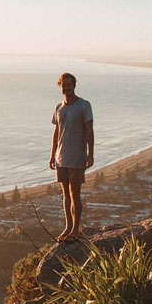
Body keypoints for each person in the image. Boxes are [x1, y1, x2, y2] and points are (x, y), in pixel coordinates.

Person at [49, 72, 94, 242]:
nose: (66, 88)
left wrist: (91, 154)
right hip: (61, 158)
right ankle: (68, 226)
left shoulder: (84, 105)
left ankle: (75, 229)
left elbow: (89, 130)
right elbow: (56, 132)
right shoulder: (59, 107)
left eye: (69, 85)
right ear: (60, 87)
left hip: (77, 157)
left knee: (75, 195)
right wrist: (52, 155)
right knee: (65, 196)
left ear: (74, 85)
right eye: (63, 85)